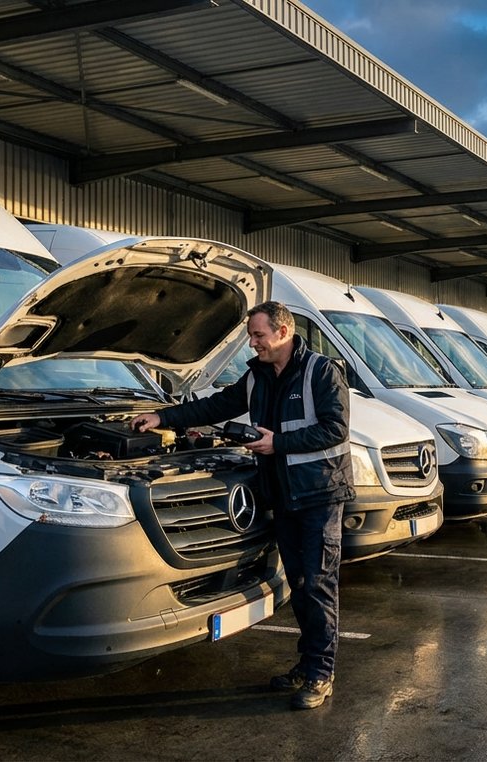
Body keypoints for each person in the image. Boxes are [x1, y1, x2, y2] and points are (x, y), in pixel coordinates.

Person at [130, 301, 352, 710]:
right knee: (301, 585)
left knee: (319, 585)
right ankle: (307, 666)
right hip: (283, 497)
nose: (253, 344)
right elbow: (214, 406)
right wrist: (162, 418)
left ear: (282, 331)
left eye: (258, 336)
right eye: (251, 337)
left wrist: (277, 443)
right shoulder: (257, 376)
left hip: (320, 496)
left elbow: (335, 429)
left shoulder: (322, 371)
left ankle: (321, 673)